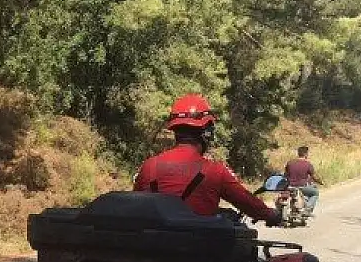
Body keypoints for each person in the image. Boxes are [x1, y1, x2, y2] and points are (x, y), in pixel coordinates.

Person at [133, 93, 280, 225]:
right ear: (206, 133)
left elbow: (136, 206)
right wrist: (271, 215)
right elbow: (247, 202)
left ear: (175, 130)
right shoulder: (215, 172)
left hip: (153, 249)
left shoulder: (149, 167)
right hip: (200, 252)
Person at [284, 145, 324, 215]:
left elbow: (285, 175)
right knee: (315, 193)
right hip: (302, 187)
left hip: (290, 187)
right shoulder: (308, 164)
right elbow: (314, 177)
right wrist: (321, 182)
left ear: (298, 153)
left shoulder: (290, 163)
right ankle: (307, 209)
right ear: (306, 154)